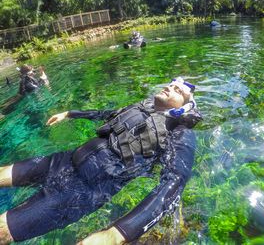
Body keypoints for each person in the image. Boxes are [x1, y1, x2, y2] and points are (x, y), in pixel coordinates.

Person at [0, 77, 202, 244]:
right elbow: (105, 115)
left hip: (81, 192)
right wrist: (70, 114)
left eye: (178, 91)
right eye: (171, 84)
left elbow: (175, 181)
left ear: (184, 108)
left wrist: (116, 234)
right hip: (64, 160)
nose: (170, 87)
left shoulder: (180, 133)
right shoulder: (142, 108)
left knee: (2, 229)